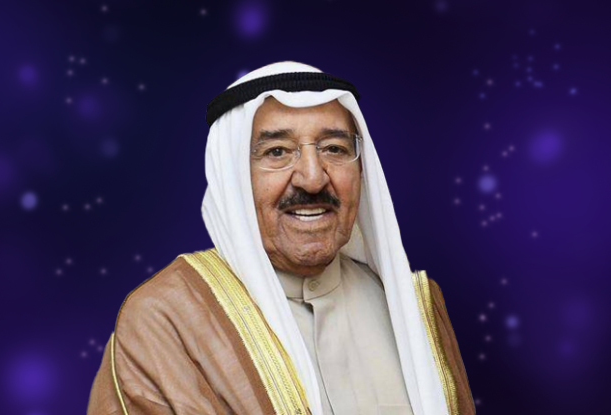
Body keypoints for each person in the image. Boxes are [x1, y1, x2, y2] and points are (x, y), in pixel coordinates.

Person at [87, 61, 475, 415]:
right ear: (233, 180)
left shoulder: (414, 310)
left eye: (334, 149)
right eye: (277, 152)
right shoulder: (163, 319)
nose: (313, 178)